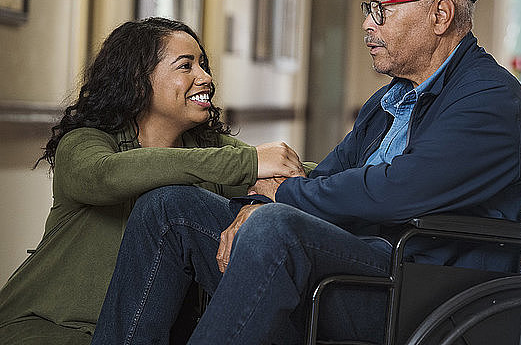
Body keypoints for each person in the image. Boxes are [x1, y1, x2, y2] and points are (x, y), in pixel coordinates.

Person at [91, 0, 521, 344]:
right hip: (356, 261)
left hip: (420, 287)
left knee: (275, 229)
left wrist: (280, 196)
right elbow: (328, 172)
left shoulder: (488, 99)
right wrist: (261, 201)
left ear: (440, 15)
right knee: (169, 208)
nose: (367, 23)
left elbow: (394, 190)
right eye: (368, 8)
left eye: (381, 9)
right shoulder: (390, 98)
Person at [0, 17, 305, 345]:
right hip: (50, 329)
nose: (205, 77)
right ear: (137, 79)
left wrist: (276, 192)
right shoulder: (84, 143)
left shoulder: (206, 148)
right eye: (186, 66)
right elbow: (107, 175)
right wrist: (248, 163)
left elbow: (302, 173)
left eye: (202, 64)